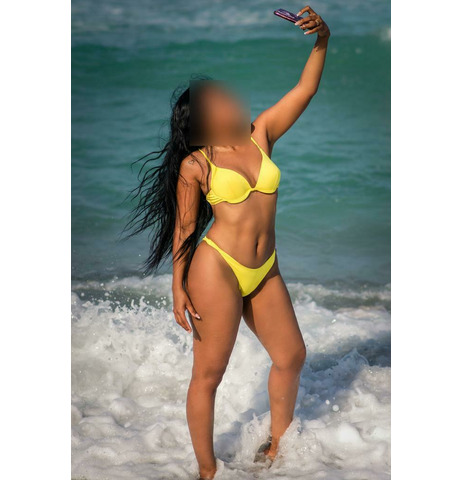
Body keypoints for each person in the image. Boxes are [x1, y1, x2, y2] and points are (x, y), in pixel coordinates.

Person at [123, 6, 330, 479]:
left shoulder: (261, 135)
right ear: (203, 119)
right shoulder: (197, 164)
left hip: (265, 267)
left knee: (291, 356)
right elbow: (184, 229)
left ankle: (277, 450)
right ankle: (208, 470)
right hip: (217, 268)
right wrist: (177, 285)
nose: (232, 98)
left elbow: (306, 89)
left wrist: (323, 39)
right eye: (218, 98)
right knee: (209, 375)